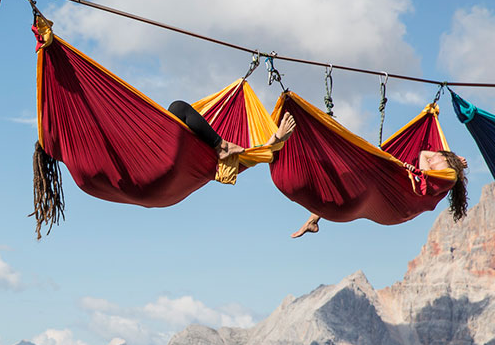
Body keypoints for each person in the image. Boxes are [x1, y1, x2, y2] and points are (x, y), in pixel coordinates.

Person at [291, 150, 469, 238]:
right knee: (350, 181)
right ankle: (313, 220)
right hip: (397, 197)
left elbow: (423, 181)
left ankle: (313, 217)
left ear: (445, 159)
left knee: (357, 172)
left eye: (435, 157)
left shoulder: (448, 176)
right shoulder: (439, 174)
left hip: (399, 201)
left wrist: (454, 161)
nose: (430, 159)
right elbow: (423, 155)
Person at [168, 100, 296, 161]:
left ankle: (221, 146)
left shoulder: (203, 160)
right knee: (177, 108)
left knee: (177, 110)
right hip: (162, 164)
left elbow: (239, 159)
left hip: (166, 170)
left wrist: (274, 140)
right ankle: (222, 145)